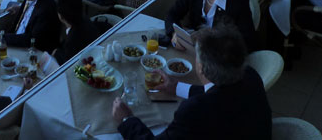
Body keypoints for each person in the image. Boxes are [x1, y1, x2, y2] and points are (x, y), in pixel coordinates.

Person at [112, 26, 271, 140]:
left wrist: (127, 120)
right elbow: (221, 95)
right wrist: (176, 87)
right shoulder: (251, 75)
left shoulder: (194, 110)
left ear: (201, 68)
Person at [52, 0, 103, 65]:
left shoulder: (72, 39)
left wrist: (56, 53)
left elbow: (68, 63)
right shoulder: (84, 19)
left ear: (61, 16)